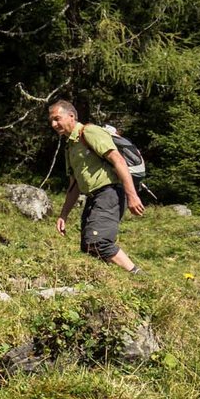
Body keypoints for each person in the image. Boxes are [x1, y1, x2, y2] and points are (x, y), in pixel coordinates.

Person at [50, 100, 145, 272]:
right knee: (88, 246)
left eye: (57, 119)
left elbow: (118, 160)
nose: (53, 124)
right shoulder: (70, 146)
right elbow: (74, 185)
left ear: (71, 116)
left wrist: (132, 196)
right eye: (51, 121)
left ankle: (138, 275)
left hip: (110, 192)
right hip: (93, 197)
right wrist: (63, 215)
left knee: (99, 242)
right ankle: (111, 279)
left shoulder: (89, 132)